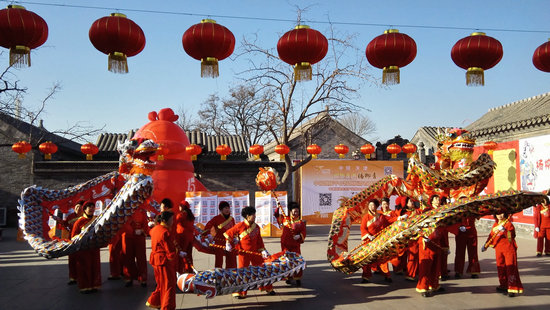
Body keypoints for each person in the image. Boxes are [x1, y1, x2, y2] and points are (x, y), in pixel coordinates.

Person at [224, 206, 275, 298]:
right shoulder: (240, 226)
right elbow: (228, 233)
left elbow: (259, 241)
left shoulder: (256, 227)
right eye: (253, 215)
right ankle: (240, 292)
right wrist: (228, 243)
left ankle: (267, 287)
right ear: (247, 216)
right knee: (243, 273)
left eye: (255, 214)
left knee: (262, 269)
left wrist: (263, 250)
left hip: (255, 252)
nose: (255, 216)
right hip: (244, 253)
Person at [481, 212, 523, 297]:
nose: (500, 215)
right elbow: (491, 236)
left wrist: (505, 231)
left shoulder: (508, 224)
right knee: (501, 267)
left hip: (509, 249)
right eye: (498, 214)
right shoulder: (495, 225)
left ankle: (512, 287)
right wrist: (485, 245)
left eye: (502, 213)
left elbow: (512, 236)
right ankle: (503, 285)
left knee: (510, 267)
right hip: (499, 249)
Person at [146, 211, 178, 310]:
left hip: (155, 260)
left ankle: (155, 302)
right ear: (165, 220)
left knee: (161, 284)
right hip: (163, 261)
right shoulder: (165, 232)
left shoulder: (155, 229)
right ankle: (167, 307)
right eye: (171, 220)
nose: (172, 222)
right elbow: (170, 251)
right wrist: (176, 252)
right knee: (169, 285)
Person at [416, 195, 445, 297]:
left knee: (436, 265)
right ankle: (423, 287)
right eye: (436, 199)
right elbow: (420, 224)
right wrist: (423, 236)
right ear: (431, 201)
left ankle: (434, 285)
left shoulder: (443, 211)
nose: (438, 200)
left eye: (439, 199)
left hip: (436, 241)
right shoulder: (427, 211)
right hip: (426, 242)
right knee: (426, 266)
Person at [71, 201, 101, 294]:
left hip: (94, 247)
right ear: (84, 210)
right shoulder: (79, 221)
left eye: (93, 207)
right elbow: (73, 236)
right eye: (89, 207)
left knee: (95, 266)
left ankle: (94, 285)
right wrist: (82, 237)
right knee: (84, 267)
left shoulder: (97, 219)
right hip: (83, 248)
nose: (92, 209)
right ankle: (85, 286)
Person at [275, 201, 306, 286]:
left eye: (297, 211)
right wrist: (278, 207)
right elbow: (276, 215)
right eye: (294, 211)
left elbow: (304, 232)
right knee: (286, 261)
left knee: (297, 261)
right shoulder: (285, 219)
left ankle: (298, 278)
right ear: (290, 211)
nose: (296, 213)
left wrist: (299, 236)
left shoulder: (300, 222)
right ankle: (288, 277)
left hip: (295, 245)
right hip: (285, 245)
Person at [360, 199, 392, 283]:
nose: (371, 207)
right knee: (367, 259)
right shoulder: (366, 217)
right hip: (368, 240)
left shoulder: (380, 216)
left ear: (376, 206)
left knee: (382, 258)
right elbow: (363, 228)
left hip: (378, 240)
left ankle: (386, 275)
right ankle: (366, 277)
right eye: (369, 205)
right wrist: (368, 235)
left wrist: (399, 218)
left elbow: (389, 220)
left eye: (373, 205)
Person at [202, 201, 237, 269]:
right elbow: (208, 225)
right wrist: (209, 235)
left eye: (228, 208)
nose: (227, 210)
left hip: (230, 241)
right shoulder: (216, 218)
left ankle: (231, 274)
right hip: (219, 241)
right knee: (219, 260)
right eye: (225, 208)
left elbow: (234, 229)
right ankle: (218, 275)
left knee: (232, 259)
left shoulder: (232, 219)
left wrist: (235, 237)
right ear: (221, 210)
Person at [122, 208, 149, 287]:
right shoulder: (124, 210)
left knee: (141, 258)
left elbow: (145, 223)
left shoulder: (142, 211)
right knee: (127, 257)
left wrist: (142, 230)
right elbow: (123, 223)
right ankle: (128, 277)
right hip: (127, 236)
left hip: (139, 236)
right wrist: (132, 231)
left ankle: (143, 278)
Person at [453, 205, 481, 278]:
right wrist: (459, 226)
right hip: (460, 233)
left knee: (473, 252)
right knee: (460, 252)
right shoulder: (457, 211)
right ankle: (458, 271)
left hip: (471, 232)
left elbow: (479, 215)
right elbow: (453, 221)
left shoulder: (473, 209)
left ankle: (474, 271)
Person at [65, 200, 84, 285]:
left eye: (80, 208)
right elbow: (64, 225)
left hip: (82, 241)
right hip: (71, 240)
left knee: (82, 260)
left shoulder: (85, 217)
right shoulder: (70, 216)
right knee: (72, 259)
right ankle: (73, 277)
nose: (78, 209)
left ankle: (82, 276)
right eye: (76, 207)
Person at [175, 201, 196, 273]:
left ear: (183, 207)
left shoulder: (180, 215)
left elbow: (174, 223)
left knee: (181, 255)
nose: (179, 207)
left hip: (182, 237)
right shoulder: (191, 215)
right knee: (189, 255)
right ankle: (189, 270)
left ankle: (181, 271)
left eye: (180, 205)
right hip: (190, 237)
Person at [405, 197, 421, 281]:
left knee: (419, 255)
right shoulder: (405, 213)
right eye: (410, 201)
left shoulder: (418, 211)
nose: (412, 203)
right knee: (412, 255)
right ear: (406, 204)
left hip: (419, 235)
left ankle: (417, 272)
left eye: (412, 201)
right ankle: (410, 274)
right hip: (411, 237)